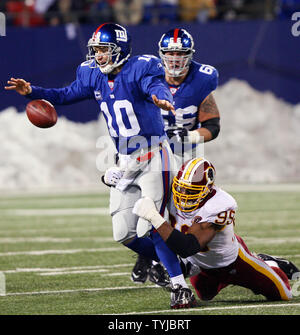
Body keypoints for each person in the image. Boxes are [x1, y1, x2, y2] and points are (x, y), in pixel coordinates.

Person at [5, 22, 190, 308]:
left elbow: (156, 86)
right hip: (125, 159)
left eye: (104, 50)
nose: (99, 56)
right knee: (124, 233)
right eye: (97, 50)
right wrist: (32, 91)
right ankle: (171, 258)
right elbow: (66, 95)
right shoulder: (91, 74)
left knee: (151, 224)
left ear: (120, 50)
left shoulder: (142, 67)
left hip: (154, 154)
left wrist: (162, 98)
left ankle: (180, 286)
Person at [133, 157, 298, 302]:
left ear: (207, 190)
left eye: (190, 191)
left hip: (234, 262)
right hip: (202, 265)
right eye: (180, 188)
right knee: (205, 296)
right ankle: (193, 269)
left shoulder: (220, 204)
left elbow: (188, 247)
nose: (183, 194)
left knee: (284, 294)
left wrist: (154, 217)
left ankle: (269, 262)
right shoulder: (171, 193)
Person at [130, 28, 220, 288]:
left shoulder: (202, 80)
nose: (175, 59)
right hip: (151, 150)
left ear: (190, 55)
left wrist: (189, 136)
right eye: (169, 53)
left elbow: (213, 126)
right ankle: (147, 255)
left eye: (180, 54)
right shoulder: (148, 76)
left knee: (180, 209)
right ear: (161, 55)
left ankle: (165, 260)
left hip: (184, 156)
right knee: (147, 204)